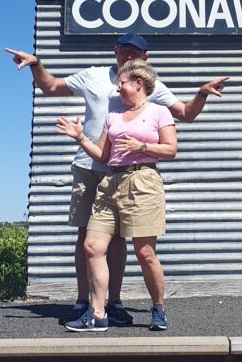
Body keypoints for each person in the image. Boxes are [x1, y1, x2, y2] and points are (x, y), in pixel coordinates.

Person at [5, 34, 228, 328]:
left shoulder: (150, 87)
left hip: (126, 173)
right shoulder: (94, 76)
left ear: (144, 60)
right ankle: (85, 302)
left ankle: (114, 303)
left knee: (121, 240)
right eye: (124, 51)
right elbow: (50, 86)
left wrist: (201, 93)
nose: (129, 57)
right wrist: (37, 64)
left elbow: (185, 114)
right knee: (87, 237)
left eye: (135, 53)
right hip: (90, 165)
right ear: (116, 51)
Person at [57, 60, 175, 332]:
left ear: (138, 84)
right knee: (92, 246)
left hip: (143, 181)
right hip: (110, 182)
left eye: (122, 83)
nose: (118, 87)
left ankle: (158, 308)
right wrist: (80, 139)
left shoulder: (158, 112)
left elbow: (171, 149)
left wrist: (143, 145)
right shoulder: (114, 117)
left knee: (145, 253)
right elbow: (103, 155)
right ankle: (97, 314)